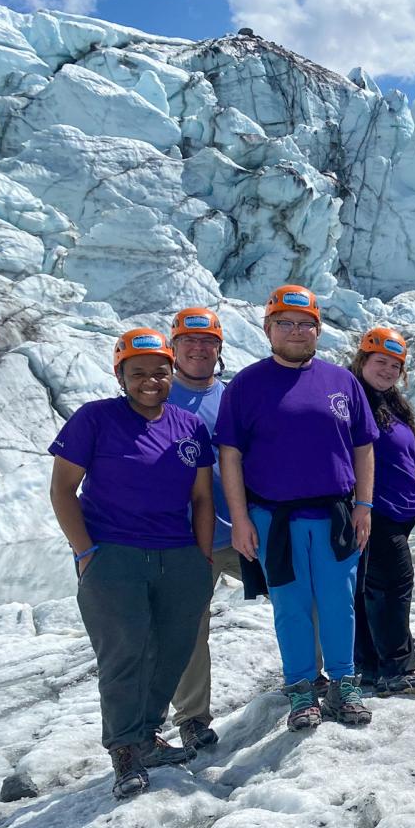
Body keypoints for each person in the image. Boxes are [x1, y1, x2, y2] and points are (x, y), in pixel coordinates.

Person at [48, 329, 214, 800]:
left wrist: (200, 558)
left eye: (159, 371)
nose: (150, 381)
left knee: (173, 650)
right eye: (138, 373)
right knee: (125, 654)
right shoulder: (94, 419)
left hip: (178, 554)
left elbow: (202, 498)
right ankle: (124, 749)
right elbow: (63, 490)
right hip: (114, 555)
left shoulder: (188, 426)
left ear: (171, 373)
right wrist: (85, 552)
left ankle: (146, 734)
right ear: (120, 375)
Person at [217, 284, 377, 732]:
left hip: (335, 514)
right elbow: (229, 454)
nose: (296, 331)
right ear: (268, 329)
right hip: (274, 518)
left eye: (305, 323)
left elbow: (364, 447)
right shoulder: (247, 385)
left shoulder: (341, 381)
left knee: (338, 603)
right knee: (290, 605)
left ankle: (344, 682)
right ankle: (302, 688)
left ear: (318, 331)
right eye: (285, 323)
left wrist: (363, 504)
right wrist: (241, 518)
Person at [163, 306, 240, 751]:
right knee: (188, 629)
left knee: (300, 594)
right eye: (189, 341)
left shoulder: (233, 397)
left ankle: (308, 679)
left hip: (243, 531)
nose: (198, 349)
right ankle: (192, 717)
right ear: (174, 347)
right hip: (185, 539)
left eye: (207, 341)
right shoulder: (154, 396)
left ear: (219, 348)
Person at [350, 327, 415, 696]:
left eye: (395, 365)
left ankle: (369, 667)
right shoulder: (354, 399)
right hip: (374, 509)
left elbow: (406, 455)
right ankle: (397, 669)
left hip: (400, 510)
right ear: (362, 360)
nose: (387, 370)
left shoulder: (391, 402)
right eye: (380, 362)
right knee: (394, 586)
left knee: (372, 588)